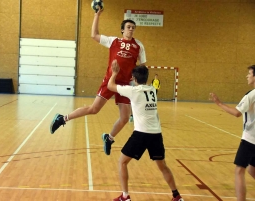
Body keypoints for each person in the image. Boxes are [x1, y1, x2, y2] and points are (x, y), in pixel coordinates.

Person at [50, 9, 146, 156]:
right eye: (128, 27)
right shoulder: (114, 41)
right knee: (94, 109)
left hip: (125, 84)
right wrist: (97, 15)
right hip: (110, 80)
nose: (131, 29)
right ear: (122, 29)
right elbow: (94, 35)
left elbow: (142, 66)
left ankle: (109, 138)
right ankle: (62, 118)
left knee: (125, 118)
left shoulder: (138, 45)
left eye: (133, 28)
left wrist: (137, 80)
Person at [107, 60, 184, 201]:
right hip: (156, 134)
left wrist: (115, 73)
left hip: (141, 134)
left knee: (122, 162)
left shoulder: (133, 91)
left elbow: (110, 86)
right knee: (163, 166)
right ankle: (176, 196)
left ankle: (125, 196)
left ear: (134, 79)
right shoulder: (153, 90)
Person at [209, 65, 255, 201]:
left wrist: (219, 103)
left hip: (250, 139)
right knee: (252, 169)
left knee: (239, 170)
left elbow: (236, 113)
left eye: (249, 74)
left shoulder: (251, 95)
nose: (247, 76)